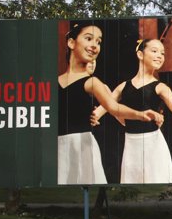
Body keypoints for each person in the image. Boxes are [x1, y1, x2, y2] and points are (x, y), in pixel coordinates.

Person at [94, 39, 172, 184]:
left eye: (162, 53)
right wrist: (99, 110)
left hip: (153, 143)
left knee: (157, 180)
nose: (160, 56)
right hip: (131, 144)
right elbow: (103, 110)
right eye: (154, 51)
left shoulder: (161, 87)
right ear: (140, 54)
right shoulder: (122, 87)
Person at [58, 22, 163, 185]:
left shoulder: (93, 83)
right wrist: (95, 115)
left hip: (81, 145)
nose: (94, 45)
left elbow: (114, 107)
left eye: (99, 42)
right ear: (71, 42)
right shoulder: (54, 83)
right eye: (89, 39)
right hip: (58, 146)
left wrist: (140, 114)